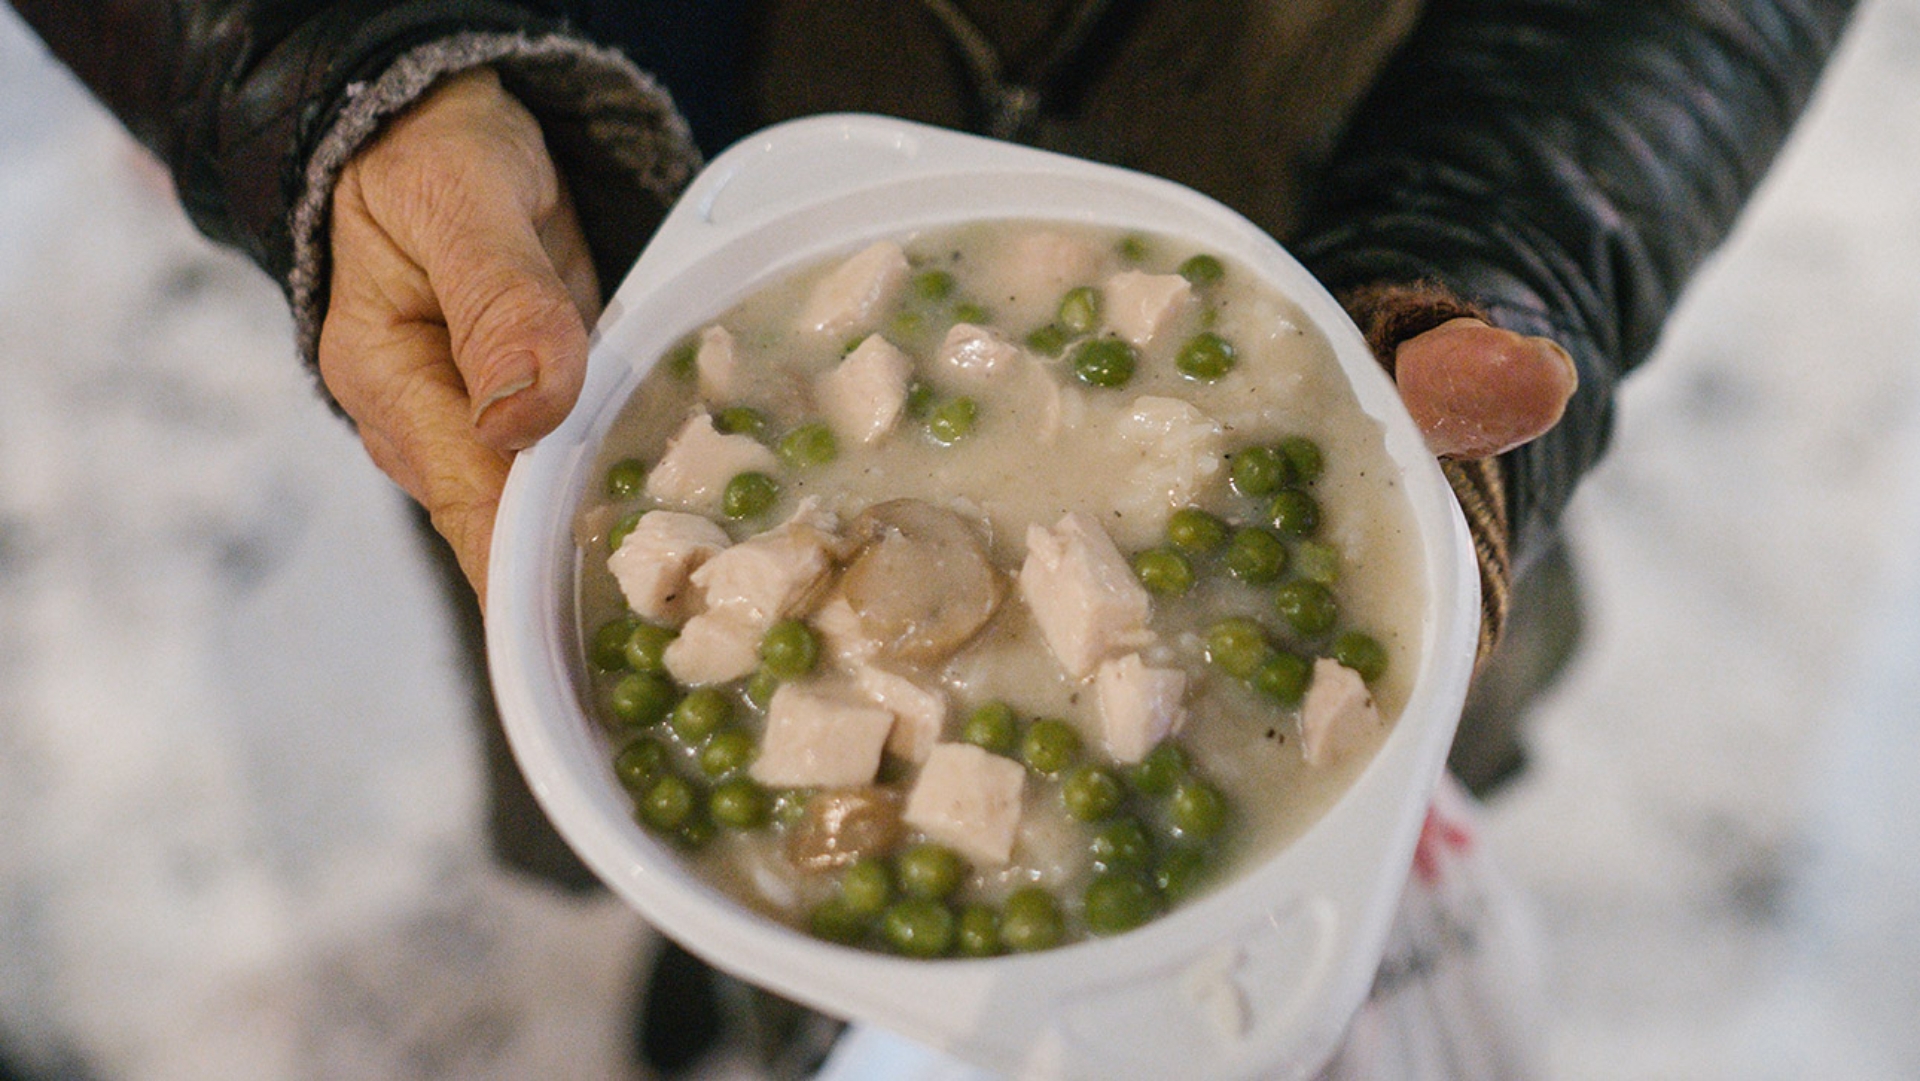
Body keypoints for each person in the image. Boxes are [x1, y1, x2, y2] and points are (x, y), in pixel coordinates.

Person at [5, 0, 1857, 1076]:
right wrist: (332, 63)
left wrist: (1505, 235)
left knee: (1389, 678)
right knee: (599, 648)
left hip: (1351, 133)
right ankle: (755, 977)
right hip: (602, 191)